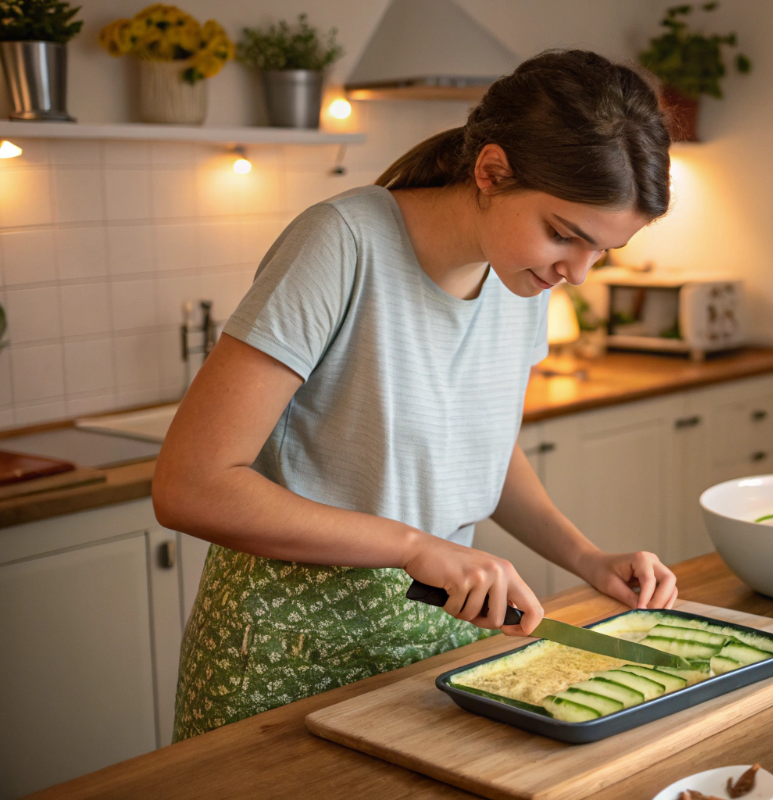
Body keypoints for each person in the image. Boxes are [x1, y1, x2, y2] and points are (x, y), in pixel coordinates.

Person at [153, 49, 677, 742]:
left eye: (601, 250)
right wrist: (412, 546)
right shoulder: (342, 243)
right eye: (563, 235)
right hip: (285, 654)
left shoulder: (520, 274)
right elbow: (190, 486)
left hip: (432, 644)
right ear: (491, 172)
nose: (577, 273)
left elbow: (481, 448)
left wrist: (586, 558)